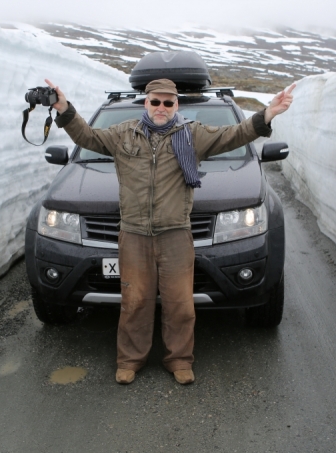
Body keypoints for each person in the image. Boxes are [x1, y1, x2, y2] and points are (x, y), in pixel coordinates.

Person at [45, 77, 295, 385]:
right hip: (134, 234)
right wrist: (64, 108)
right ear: (146, 103)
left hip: (176, 233)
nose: (161, 108)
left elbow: (234, 135)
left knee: (180, 302)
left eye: (168, 102)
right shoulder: (124, 134)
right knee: (135, 301)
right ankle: (130, 360)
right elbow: (86, 137)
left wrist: (267, 114)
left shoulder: (191, 135)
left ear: (176, 105)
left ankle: (179, 358)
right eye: (155, 102)